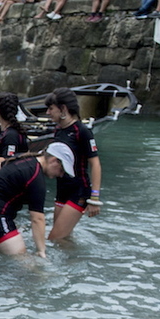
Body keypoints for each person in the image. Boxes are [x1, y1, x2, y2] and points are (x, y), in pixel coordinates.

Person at [0, 142, 75, 257]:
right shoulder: (36, 177)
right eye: (62, 170)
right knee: (27, 263)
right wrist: (41, 251)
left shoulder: (24, 159)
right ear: (54, 160)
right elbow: (37, 219)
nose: (61, 175)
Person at [45, 88, 103, 241]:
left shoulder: (82, 131)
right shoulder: (58, 131)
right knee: (63, 239)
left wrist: (94, 199)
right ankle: (72, 261)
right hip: (62, 190)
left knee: (54, 238)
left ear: (63, 108)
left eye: (51, 108)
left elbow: (95, 164)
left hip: (79, 191)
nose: (47, 113)